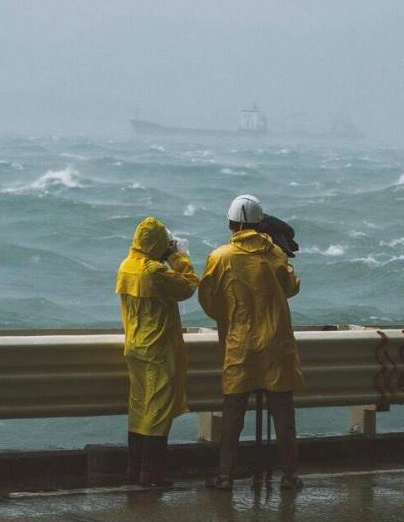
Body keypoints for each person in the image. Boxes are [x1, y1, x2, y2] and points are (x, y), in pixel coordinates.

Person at [199, 194, 305, 490]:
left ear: (231, 224)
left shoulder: (220, 257)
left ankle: (224, 475)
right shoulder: (275, 255)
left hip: (240, 343)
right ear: (261, 224)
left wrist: (230, 318)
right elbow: (292, 288)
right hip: (276, 343)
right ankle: (290, 474)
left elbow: (209, 301)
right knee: (283, 412)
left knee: (233, 411)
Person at [115, 216, 200, 487]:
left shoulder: (126, 267)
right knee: (158, 413)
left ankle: (133, 468)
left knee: (138, 408)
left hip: (135, 346)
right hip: (158, 349)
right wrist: (178, 257)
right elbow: (188, 285)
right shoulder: (154, 271)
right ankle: (152, 474)